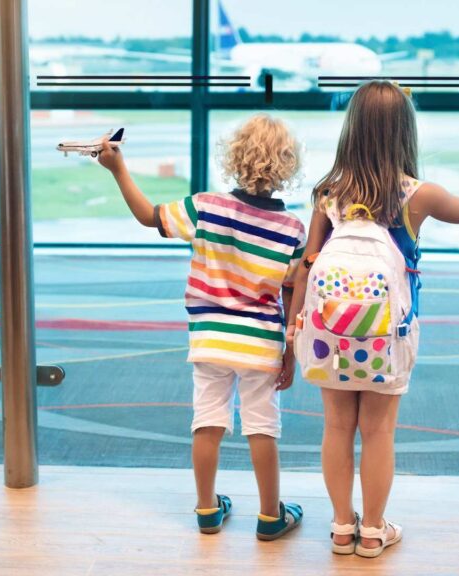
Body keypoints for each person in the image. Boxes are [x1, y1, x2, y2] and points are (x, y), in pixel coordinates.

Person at [285, 80, 459, 557]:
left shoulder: (329, 191)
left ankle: (342, 527)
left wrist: (294, 325)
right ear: (405, 131)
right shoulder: (415, 195)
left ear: (352, 129)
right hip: (387, 336)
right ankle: (375, 530)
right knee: (379, 431)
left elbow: (308, 260)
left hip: (329, 335)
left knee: (336, 428)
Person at [95, 114, 306, 540]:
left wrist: (119, 169)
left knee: (207, 421)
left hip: (209, 339)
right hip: (260, 343)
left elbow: (148, 216)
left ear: (235, 158)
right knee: (262, 426)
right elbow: (291, 294)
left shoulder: (205, 207)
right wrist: (290, 353)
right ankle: (270, 516)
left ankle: (207, 510)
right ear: (288, 165)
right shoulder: (292, 230)